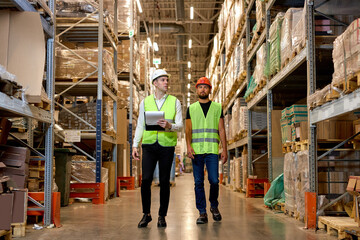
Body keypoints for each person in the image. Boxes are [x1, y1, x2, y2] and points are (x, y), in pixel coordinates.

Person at [132, 69, 183, 228]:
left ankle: (162, 215)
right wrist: (135, 144)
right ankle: (146, 214)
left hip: (166, 146)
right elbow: (140, 124)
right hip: (148, 145)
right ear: (155, 83)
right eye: (162, 80)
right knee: (146, 180)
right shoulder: (145, 102)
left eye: (166, 80)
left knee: (164, 181)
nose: (166, 82)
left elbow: (180, 126)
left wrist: (170, 126)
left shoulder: (175, 101)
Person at [185, 77, 228, 224]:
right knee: (198, 183)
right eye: (200, 87)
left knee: (214, 181)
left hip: (211, 150)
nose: (203, 89)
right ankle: (202, 212)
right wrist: (188, 146)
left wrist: (225, 149)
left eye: (205, 87)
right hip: (196, 151)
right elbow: (188, 129)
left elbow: (221, 129)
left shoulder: (217, 107)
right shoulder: (191, 108)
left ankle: (214, 206)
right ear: (196, 90)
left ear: (210, 90)